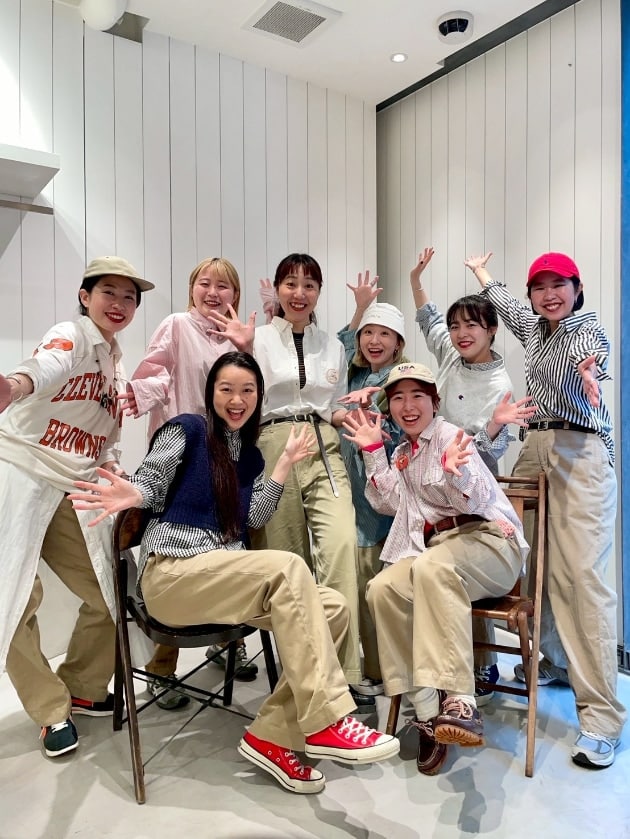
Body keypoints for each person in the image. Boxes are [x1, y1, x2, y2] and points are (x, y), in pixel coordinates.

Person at [69, 352, 400, 794]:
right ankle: (328, 719)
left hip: (220, 578)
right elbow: (152, 480)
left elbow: (253, 516)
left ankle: (271, 736)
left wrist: (282, 465)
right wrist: (135, 493)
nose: (237, 399)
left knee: (334, 607)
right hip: (172, 576)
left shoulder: (249, 455)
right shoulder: (187, 429)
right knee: (288, 566)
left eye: (247, 390)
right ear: (211, 393)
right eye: (226, 389)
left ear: (260, 396)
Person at [465, 250, 627, 769]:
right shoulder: (534, 329)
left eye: (560, 285)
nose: (549, 294)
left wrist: (591, 376)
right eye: (540, 286)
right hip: (533, 447)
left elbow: (591, 359)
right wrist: (482, 272)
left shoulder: (584, 331)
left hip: (579, 450)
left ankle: (602, 718)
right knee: (532, 564)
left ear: (577, 290)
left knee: (581, 578)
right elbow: (507, 306)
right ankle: (555, 661)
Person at [0, 256, 154, 758]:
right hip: (20, 471)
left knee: (110, 591)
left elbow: (104, 436)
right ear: (86, 297)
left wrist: (114, 470)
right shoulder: (70, 334)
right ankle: (50, 710)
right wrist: (14, 386)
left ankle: (84, 685)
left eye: (129, 297)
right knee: (14, 598)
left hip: (72, 485)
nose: (119, 304)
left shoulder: (115, 362)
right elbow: (47, 364)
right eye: (109, 292)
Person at [342, 362, 528, 776]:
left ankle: (460, 700)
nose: (408, 406)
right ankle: (427, 710)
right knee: (382, 589)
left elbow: (474, 499)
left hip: (491, 544)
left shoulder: (450, 437)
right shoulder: (402, 453)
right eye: (398, 398)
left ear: (434, 401)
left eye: (417, 396)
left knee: (430, 567)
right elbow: (388, 504)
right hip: (440, 553)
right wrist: (372, 452)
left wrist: (452, 472)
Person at [210, 254, 369, 711]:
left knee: (340, 547)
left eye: (309, 285)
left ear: (319, 292)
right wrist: (242, 350)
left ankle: (342, 674)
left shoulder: (332, 346)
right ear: (278, 289)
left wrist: (351, 414)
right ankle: (301, 677)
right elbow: (237, 397)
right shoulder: (256, 337)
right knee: (286, 560)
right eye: (291, 284)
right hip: (272, 444)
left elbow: (331, 406)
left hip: (323, 445)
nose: (300, 293)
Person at [120, 257, 258, 706]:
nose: (213, 293)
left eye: (224, 286)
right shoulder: (178, 325)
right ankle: (162, 668)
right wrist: (138, 393)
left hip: (227, 456)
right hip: (182, 455)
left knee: (230, 541)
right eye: (205, 283)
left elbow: (249, 391)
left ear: (235, 295)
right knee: (180, 550)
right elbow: (156, 372)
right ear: (192, 288)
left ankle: (226, 639)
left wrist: (246, 348)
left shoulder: (237, 337)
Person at [410, 246, 537, 705]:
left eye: (472, 326)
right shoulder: (451, 355)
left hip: (472, 485)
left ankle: (480, 665)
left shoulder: (499, 384)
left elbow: (487, 453)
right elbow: (428, 321)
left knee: (463, 565)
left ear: (491, 330)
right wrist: (416, 280)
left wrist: (493, 427)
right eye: (457, 326)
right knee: (432, 564)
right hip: (433, 479)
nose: (461, 334)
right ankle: (439, 666)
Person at [336, 271, 407, 698]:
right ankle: (375, 668)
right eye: (368, 333)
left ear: (398, 343)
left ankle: (385, 671)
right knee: (361, 585)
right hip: (352, 495)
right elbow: (340, 349)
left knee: (379, 587)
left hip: (387, 500)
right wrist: (360, 308)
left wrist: (377, 402)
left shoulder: (400, 380)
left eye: (384, 334)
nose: (374, 341)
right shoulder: (353, 376)